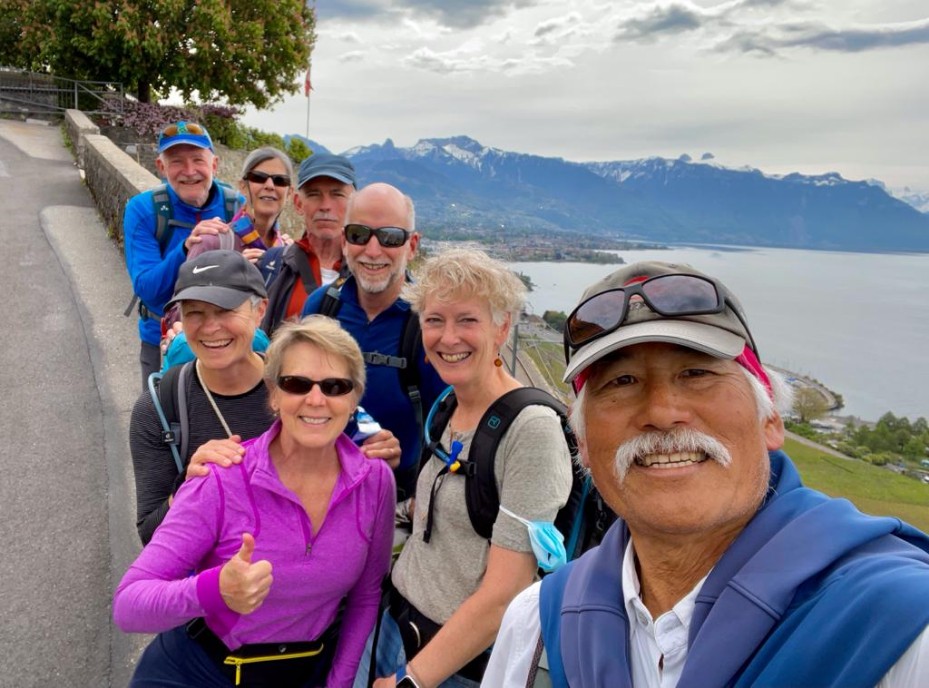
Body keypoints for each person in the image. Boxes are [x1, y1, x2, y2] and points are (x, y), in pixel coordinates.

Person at [483, 260, 929, 688]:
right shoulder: (539, 626)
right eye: (621, 382)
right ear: (581, 443)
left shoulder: (900, 630)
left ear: (770, 417)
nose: (661, 412)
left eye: (696, 372)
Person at [114, 315, 396, 687]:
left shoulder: (375, 483)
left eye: (335, 386)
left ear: (354, 398)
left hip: (306, 671)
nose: (316, 399)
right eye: (297, 384)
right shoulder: (223, 477)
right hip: (203, 670)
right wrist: (214, 590)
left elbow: (365, 596)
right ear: (274, 394)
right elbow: (129, 605)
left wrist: (339, 683)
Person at [363, 247, 573, 688]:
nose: (448, 337)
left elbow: (504, 594)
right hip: (397, 627)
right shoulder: (448, 406)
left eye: (467, 320)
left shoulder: (530, 430)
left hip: (457, 666)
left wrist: (412, 680)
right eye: (435, 320)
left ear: (502, 328)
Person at [301, 183, 448, 498]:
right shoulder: (321, 307)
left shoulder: (430, 323)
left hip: (398, 497)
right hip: (319, 489)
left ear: (412, 245)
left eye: (390, 237)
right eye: (358, 234)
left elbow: (452, 426)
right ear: (344, 241)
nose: (372, 250)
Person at [129, 249, 274, 544]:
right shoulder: (158, 409)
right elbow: (150, 534)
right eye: (195, 312)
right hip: (207, 583)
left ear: (260, 311)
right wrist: (188, 485)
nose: (210, 328)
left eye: (225, 310)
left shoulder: (300, 391)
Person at [124, 120, 238, 388]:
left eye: (198, 160)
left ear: (214, 164)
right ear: (161, 168)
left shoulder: (235, 206)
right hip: (162, 342)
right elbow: (148, 289)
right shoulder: (144, 210)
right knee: (160, 425)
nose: (189, 171)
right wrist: (186, 247)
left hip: (224, 340)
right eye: (176, 162)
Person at [259, 153, 356, 337]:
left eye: (337, 194)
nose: (325, 206)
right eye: (314, 194)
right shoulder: (271, 266)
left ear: (355, 203)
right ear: (298, 203)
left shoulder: (369, 272)